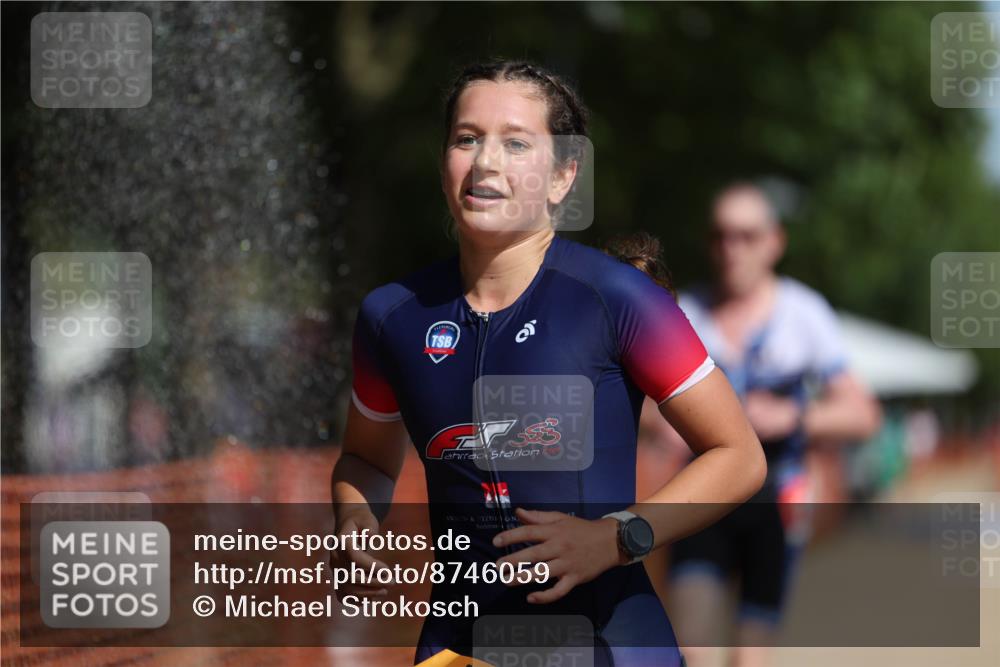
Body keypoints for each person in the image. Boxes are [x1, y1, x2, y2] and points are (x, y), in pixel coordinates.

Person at [330, 59, 767, 667]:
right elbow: (365, 460)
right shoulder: (391, 317)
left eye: (515, 143)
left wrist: (616, 537)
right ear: (443, 162)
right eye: (466, 138)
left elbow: (739, 456)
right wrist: (355, 523)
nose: (485, 163)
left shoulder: (615, 297)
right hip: (458, 648)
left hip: (607, 642)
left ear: (564, 175)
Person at [640, 182, 882, 667]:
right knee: (692, 646)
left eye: (747, 236)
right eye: (721, 236)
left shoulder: (803, 313)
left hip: (774, 504)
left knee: (751, 656)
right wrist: (668, 422)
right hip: (702, 496)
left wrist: (794, 416)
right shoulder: (684, 312)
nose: (732, 249)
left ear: (775, 242)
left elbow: (862, 414)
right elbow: (639, 405)